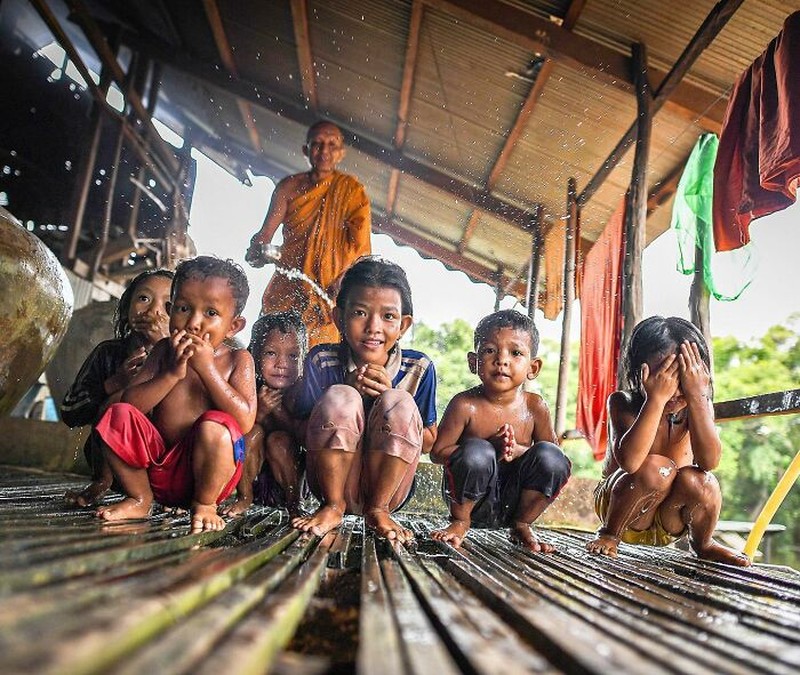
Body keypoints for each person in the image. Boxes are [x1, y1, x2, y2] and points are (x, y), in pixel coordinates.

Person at [93, 256, 257, 533]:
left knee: (217, 427)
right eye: (183, 308)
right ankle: (139, 498)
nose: (193, 323)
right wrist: (171, 375)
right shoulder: (162, 352)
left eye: (211, 313)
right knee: (116, 413)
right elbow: (130, 405)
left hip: (209, 478)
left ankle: (205, 506)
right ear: (171, 310)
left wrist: (206, 369)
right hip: (157, 473)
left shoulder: (238, 359)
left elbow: (243, 421)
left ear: (233, 326)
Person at [289, 256, 437, 543]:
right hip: (331, 482)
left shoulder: (418, 368)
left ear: (403, 325)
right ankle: (332, 506)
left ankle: (378, 510)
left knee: (399, 401)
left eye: (388, 316)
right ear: (338, 318)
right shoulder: (323, 360)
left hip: (390, 489)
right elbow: (299, 430)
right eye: (359, 312)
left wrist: (388, 402)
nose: (373, 327)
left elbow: (429, 442)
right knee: (341, 396)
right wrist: (347, 389)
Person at [585, 316, 750, 566]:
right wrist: (656, 399)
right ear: (641, 373)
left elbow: (710, 461)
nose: (674, 389)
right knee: (656, 468)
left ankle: (703, 544)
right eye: (665, 377)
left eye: (683, 377)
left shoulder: (698, 405)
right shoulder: (623, 403)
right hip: (621, 509)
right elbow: (630, 463)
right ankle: (609, 534)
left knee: (704, 482)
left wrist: (697, 397)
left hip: (669, 519)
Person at [430, 310, 571, 551]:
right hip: (473, 501)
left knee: (553, 457)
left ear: (533, 367)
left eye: (515, 353)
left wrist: (518, 451)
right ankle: (459, 522)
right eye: (489, 350)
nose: (502, 360)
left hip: (516, 500)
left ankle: (523, 524)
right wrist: (489, 449)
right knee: (477, 450)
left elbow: (552, 459)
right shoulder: (465, 405)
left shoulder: (534, 406)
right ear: (474, 362)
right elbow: (437, 453)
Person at [245, 120, 371, 348]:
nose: (324, 152)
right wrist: (257, 252)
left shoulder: (352, 192)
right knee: (272, 351)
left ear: (341, 153)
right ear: (306, 150)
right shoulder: (288, 187)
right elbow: (265, 236)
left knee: (318, 362)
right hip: (288, 287)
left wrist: (344, 282)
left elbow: (361, 251)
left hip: (328, 296)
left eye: (332, 146)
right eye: (317, 144)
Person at [61, 269, 174, 507]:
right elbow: (70, 412)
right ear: (126, 307)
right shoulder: (108, 353)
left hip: (164, 465)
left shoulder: (182, 359)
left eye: (169, 306)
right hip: (115, 469)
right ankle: (101, 482)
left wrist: (162, 349)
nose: (154, 311)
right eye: (144, 298)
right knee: (115, 403)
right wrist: (115, 383)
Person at [222, 310, 307, 517]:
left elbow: (305, 437)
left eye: (293, 355)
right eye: (271, 353)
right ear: (255, 353)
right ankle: (244, 498)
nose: (282, 364)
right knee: (252, 434)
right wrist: (259, 411)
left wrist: (278, 411)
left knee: (279, 440)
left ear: (303, 358)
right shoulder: (247, 385)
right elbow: (236, 431)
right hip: (253, 478)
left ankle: (295, 503)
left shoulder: (302, 391)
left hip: (293, 478)